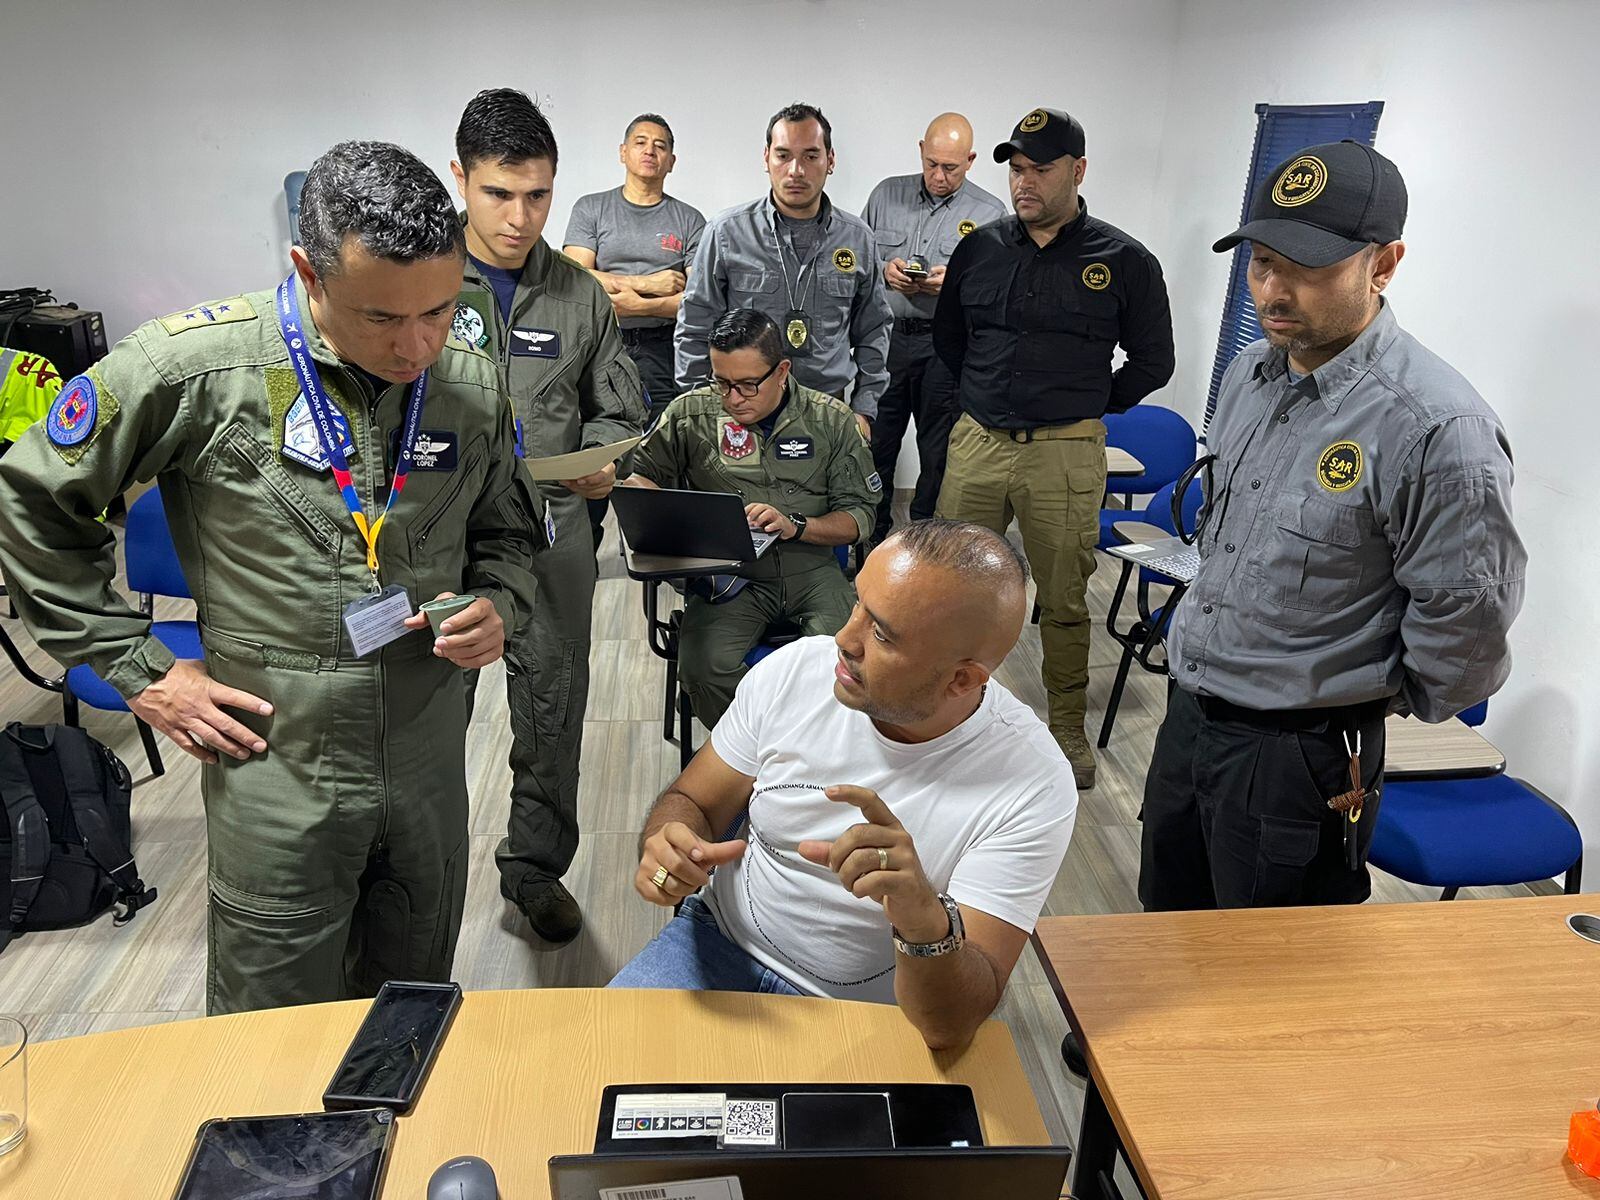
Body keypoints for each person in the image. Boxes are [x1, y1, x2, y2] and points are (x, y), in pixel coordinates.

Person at [0, 141, 542, 1014]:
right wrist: (141, 671)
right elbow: (31, 500)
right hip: (279, 767)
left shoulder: (468, 383)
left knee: (407, 1010)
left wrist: (498, 603)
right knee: (271, 1029)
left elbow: (508, 529)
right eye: (381, 317)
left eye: (440, 310)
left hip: (430, 761)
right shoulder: (199, 369)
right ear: (307, 271)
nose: (416, 345)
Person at [1142, 140, 1527, 911]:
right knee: (1164, 931)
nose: (1273, 290)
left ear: (1384, 264)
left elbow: (1468, 632)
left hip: (1299, 756)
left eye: (1307, 267)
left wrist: (1350, 703)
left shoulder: (1435, 428)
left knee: (1271, 969)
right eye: (1261, 262)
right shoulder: (1252, 372)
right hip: (1188, 717)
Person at [611, 519, 1077, 1051]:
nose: (843, 638)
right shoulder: (794, 672)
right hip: (719, 944)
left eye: (881, 634)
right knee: (598, 1081)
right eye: (858, 604)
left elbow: (951, 1023)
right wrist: (669, 843)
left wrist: (925, 922)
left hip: (881, 1014)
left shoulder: (1032, 783)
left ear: (962, 679)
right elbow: (693, 800)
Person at [450, 87, 647, 944]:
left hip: (553, 531)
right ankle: (413, 877)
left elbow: (617, 405)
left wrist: (605, 456)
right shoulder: (418, 277)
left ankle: (533, 871)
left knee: (553, 706)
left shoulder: (578, 294)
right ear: (460, 178)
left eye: (538, 196)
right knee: (429, 717)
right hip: (440, 542)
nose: (519, 217)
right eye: (499, 193)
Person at [934, 107, 1175, 790]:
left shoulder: (1125, 261)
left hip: (1064, 451)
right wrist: (979, 398)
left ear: (1079, 170)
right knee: (952, 587)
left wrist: (1089, 404)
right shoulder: (980, 249)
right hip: (979, 443)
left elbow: (1153, 361)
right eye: (1016, 169)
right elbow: (950, 339)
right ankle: (945, 716)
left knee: (1065, 596)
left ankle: (1066, 726)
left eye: (1040, 168)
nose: (1024, 182)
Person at [625, 308, 878, 728]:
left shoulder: (830, 420)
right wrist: (663, 514)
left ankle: (802, 750)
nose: (733, 398)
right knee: (704, 668)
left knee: (852, 663)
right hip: (730, 577)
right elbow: (638, 476)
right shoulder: (691, 415)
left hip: (812, 570)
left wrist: (796, 525)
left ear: (782, 371)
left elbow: (860, 516)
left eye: (746, 385)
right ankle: (752, 752)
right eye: (721, 382)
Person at [674, 103, 891, 435]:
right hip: (742, 415)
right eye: (783, 155)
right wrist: (701, 413)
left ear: (830, 160)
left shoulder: (858, 239)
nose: (796, 170)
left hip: (827, 414)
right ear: (766, 158)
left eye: (810, 156)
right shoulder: (726, 233)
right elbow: (694, 326)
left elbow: (874, 329)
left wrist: (864, 409)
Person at [861, 113, 1005, 544]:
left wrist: (956, 284)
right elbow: (855, 259)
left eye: (951, 168)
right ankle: (871, 544)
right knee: (874, 446)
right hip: (886, 342)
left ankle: (925, 548)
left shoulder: (990, 213)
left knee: (938, 454)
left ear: (971, 160)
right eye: (932, 164)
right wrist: (883, 269)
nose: (939, 176)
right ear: (921, 150)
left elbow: (997, 292)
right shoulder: (886, 195)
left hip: (945, 348)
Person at [563, 113, 706, 418]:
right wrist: (647, 284)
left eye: (660, 146)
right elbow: (576, 276)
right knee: (602, 430)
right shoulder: (591, 208)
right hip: (601, 342)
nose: (650, 150)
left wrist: (637, 306)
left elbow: (698, 301)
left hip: (664, 348)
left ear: (671, 161)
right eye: (640, 142)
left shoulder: (690, 220)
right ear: (623, 152)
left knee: (663, 434)